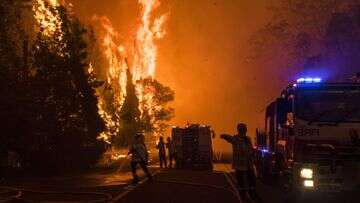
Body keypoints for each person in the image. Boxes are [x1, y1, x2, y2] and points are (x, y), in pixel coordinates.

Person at [220, 123, 258, 202]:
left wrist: (253, 154)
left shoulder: (248, 139)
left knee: (252, 182)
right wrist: (223, 136)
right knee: (241, 183)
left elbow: (250, 150)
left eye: (243, 129)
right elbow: (229, 138)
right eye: (241, 130)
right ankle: (243, 198)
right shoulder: (235, 139)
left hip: (248, 165)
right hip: (240, 166)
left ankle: (252, 196)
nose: (242, 131)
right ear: (239, 130)